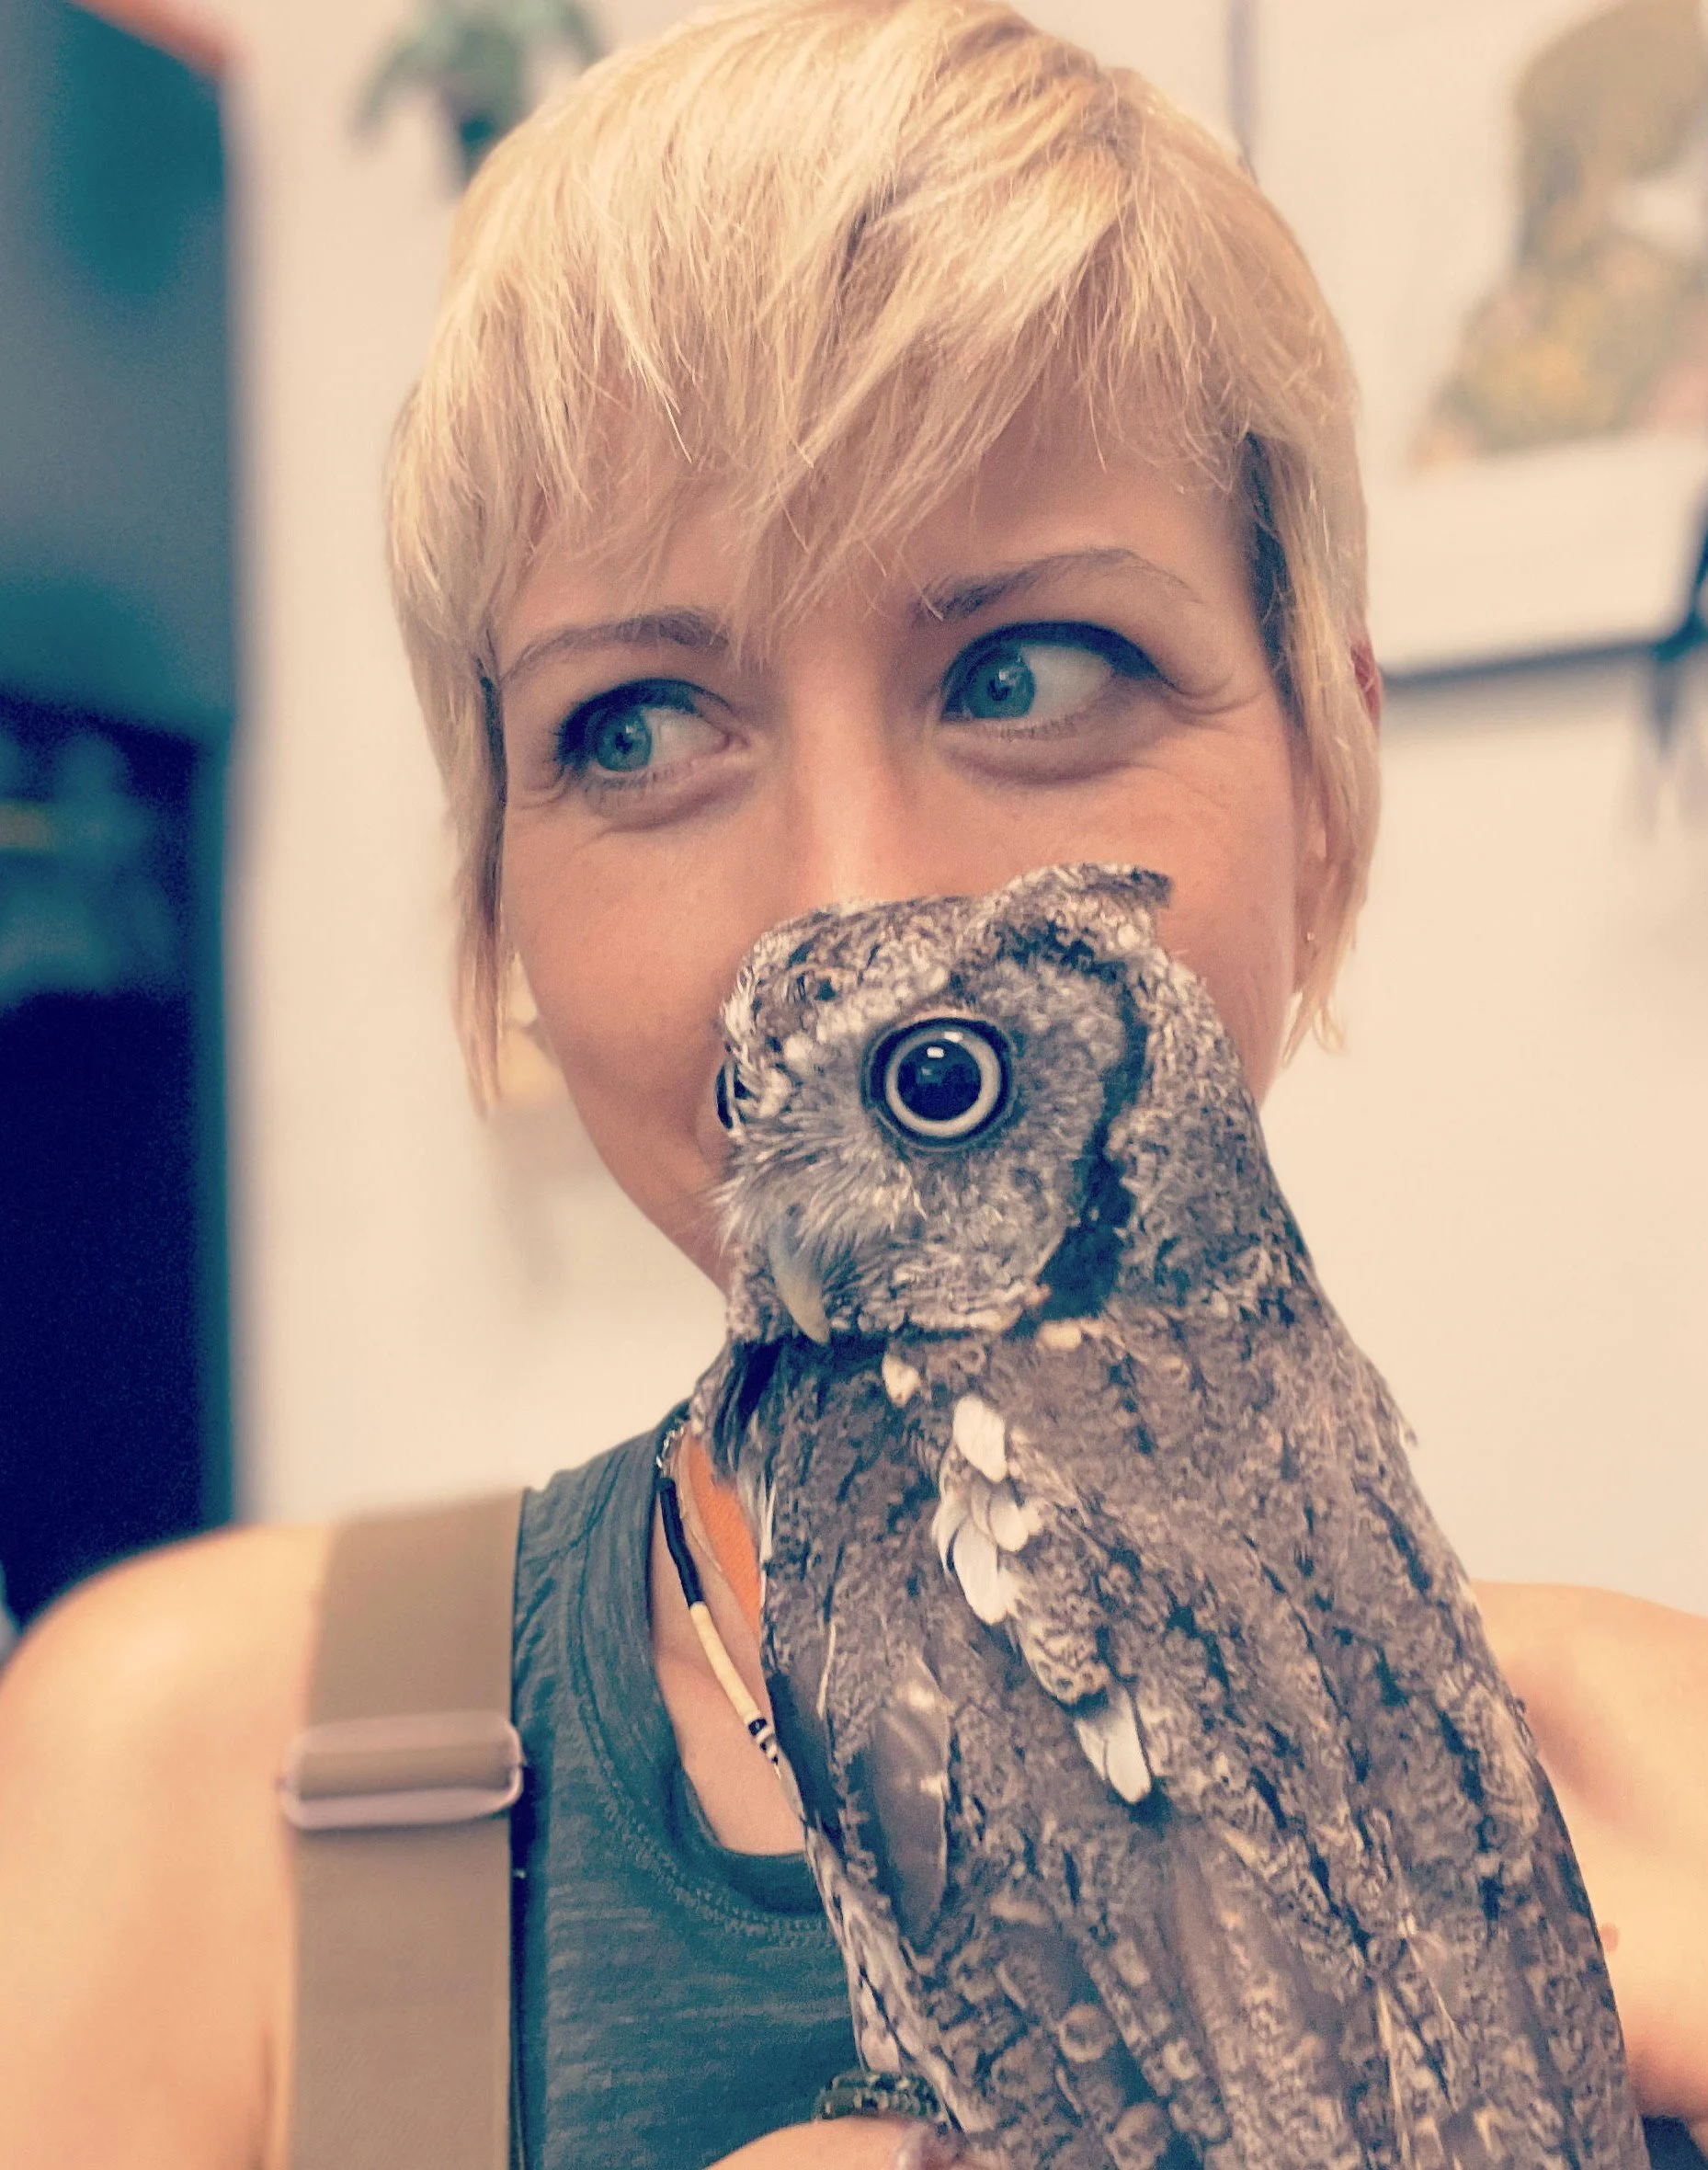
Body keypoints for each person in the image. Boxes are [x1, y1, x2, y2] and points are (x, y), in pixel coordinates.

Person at [1, 4, 1705, 2164]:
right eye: (638, 724)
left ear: (1324, 784)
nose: (847, 895)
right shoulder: (193, 1791)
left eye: (1025, 671)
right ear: (500, 890)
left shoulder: (1650, 1795)